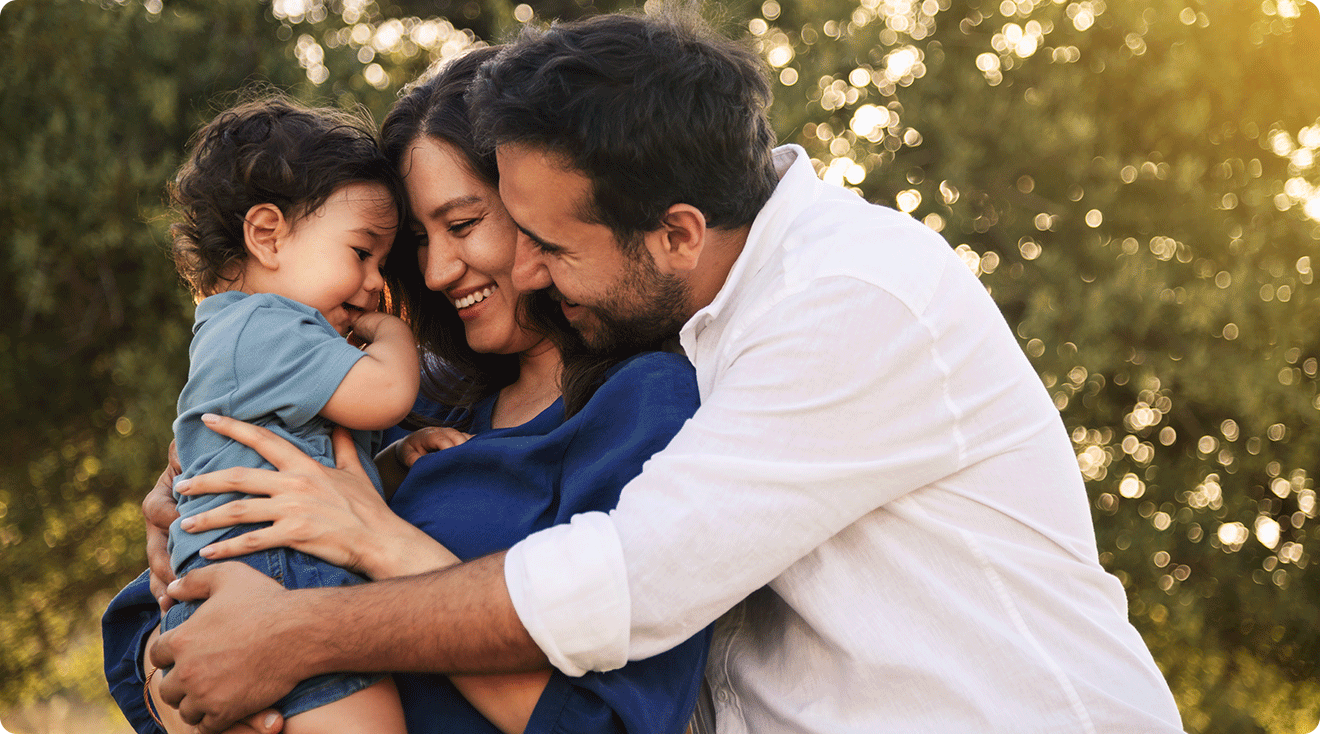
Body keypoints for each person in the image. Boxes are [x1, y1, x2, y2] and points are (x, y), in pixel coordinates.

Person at [139, 12, 1188, 734]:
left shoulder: (852, 301)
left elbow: (624, 584)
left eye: (534, 238)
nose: (524, 268)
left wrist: (305, 622)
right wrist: (186, 546)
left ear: (676, 232)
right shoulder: (635, 339)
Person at [103, 47, 709, 734]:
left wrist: (375, 545)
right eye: (416, 240)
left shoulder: (646, 404)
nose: (437, 268)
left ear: (538, 206)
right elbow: (148, 632)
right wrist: (194, 672)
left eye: (463, 224)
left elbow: (608, 723)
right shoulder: (426, 398)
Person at [151, 96, 417, 734]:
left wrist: (395, 458)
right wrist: (393, 334)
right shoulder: (270, 326)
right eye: (362, 253)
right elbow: (388, 394)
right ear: (266, 235)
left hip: (243, 580)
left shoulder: (241, 336)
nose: (375, 284)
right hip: (279, 577)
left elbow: (321, 467)